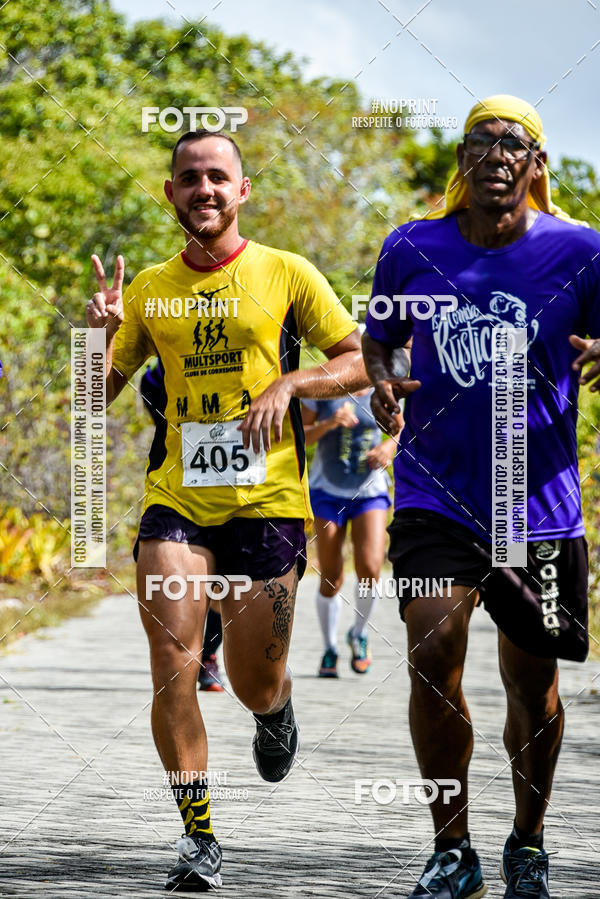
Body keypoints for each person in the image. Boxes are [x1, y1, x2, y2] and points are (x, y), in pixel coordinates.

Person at [86, 129, 366, 891]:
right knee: (173, 663)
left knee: (252, 678)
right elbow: (90, 401)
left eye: (218, 177)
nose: (204, 189)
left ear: (242, 191)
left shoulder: (286, 273)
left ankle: (275, 710)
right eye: (189, 178)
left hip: (268, 505)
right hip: (176, 500)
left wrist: (290, 386)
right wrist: (95, 339)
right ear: (171, 192)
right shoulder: (147, 288)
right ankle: (198, 836)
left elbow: (360, 357)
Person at [362, 95, 600, 899]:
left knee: (533, 685)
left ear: (537, 166)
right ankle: (450, 848)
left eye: (516, 144)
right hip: (435, 495)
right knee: (431, 654)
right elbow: (379, 336)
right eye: (481, 141)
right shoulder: (411, 248)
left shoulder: (581, 250)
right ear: (461, 162)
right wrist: (386, 379)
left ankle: (527, 841)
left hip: (537, 507)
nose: (498, 154)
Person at [301, 385, 398, 676]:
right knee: (331, 575)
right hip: (326, 491)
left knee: (370, 567)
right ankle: (330, 648)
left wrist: (387, 446)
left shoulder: (385, 389)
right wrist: (330, 423)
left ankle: (358, 633)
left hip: (370, 492)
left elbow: (403, 429)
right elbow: (300, 436)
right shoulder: (321, 389)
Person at [141, 359, 225, 692]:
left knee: (221, 587)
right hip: (178, 493)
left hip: (247, 494)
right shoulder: (156, 375)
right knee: (185, 591)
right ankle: (195, 656)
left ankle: (209, 654)